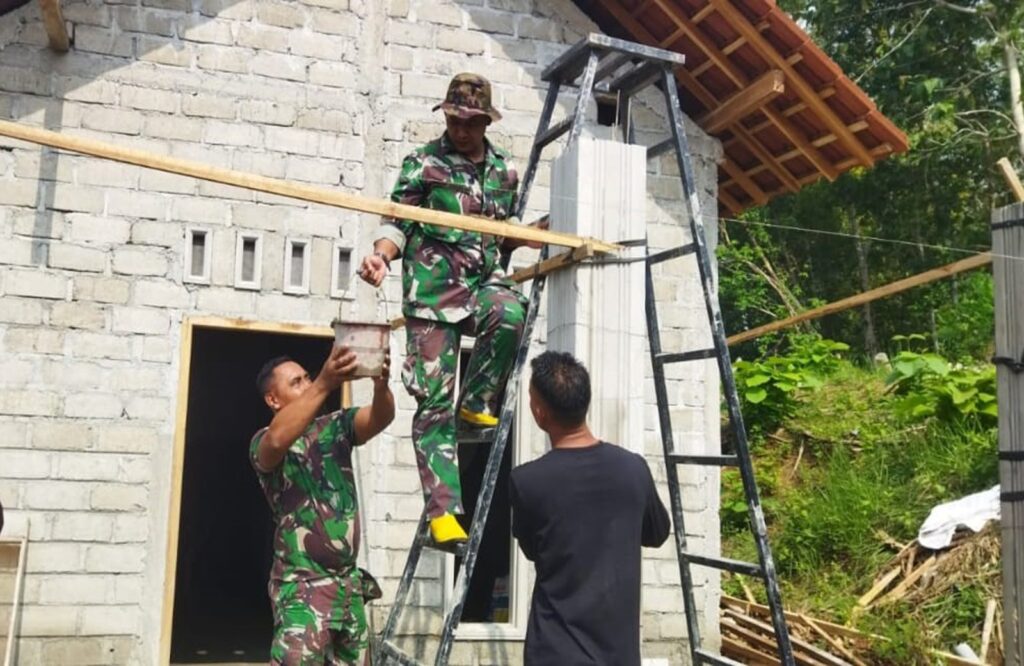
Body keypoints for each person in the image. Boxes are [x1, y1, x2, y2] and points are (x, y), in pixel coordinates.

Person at [358, 72, 546, 547]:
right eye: (454, 119)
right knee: (433, 401)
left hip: (483, 282)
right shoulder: (422, 163)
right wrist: (381, 256)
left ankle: (479, 399)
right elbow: (397, 224)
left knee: (510, 311)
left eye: (470, 122)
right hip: (433, 295)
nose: (461, 130)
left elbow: (503, 233)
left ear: (486, 120)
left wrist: (545, 228)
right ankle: (444, 511)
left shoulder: (503, 171)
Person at [510, 351, 671, 666]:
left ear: (539, 412)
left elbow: (534, 551)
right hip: (619, 655)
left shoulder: (526, 482)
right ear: (584, 402)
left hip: (553, 653)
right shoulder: (633, 468)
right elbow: (657, 533)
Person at [251, 346, 395, 666]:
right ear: (273, 400)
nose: (306, 384)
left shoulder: (335, 426)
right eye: (296, 383)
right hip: (302, 589)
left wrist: (381, 384)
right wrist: (324, 383)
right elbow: (275, 442)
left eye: (308, 378)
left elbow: (380, 417)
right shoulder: (265, 440)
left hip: (347, 586)